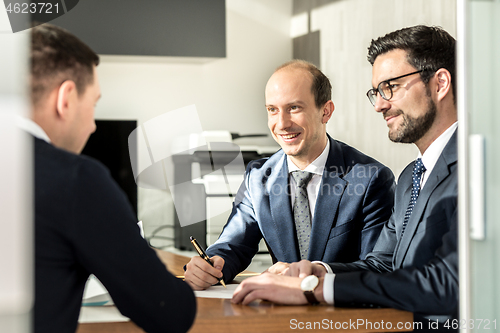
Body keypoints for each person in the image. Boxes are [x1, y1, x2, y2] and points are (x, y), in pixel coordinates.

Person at [232, 25, 458, 331]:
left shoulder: (478, 169)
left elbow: (448, 282)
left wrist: (313, 290)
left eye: (390, 87)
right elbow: (383, 264)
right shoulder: (411, 177)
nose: (379, 104)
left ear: (440, 83)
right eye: (376, 92)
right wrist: (317, 272)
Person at [24, 23, 196, 333]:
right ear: (66, 98)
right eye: (93, 104)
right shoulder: (76, 180)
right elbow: (170, 312)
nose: (92, 126)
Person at [184, 60, 396, 290]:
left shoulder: (370, 178)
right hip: (279, 315)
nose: (282, 124)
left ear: (325, 111)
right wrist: (213, 264)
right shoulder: (258, 176)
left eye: (294, 108)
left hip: (340, 315)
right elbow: (233, 244)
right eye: (272, 110)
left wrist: (314, 274)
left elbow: (378, 266)